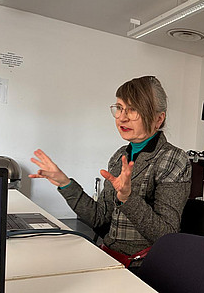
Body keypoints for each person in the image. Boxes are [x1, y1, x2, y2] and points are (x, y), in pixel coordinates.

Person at [29, 76, 192, 270]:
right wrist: (64, 183)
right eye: (120, 108)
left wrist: (127, 198)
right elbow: (99, 218)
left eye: (133, 109)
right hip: (109, 255)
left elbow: (166, 235)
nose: (122, 117)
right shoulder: (119, 156)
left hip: (144, 266)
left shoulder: (174, 159)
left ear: (158, 119)